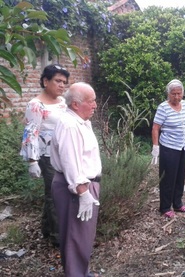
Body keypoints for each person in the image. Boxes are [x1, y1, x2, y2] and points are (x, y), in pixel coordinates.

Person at [50, 82, 102, 277]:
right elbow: (71, 162)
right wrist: (83, 193)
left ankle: (82, 272)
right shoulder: (70, 125)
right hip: (77, 189)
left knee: (83, 236)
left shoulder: (79, 122)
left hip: (85, 186)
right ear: (75, 105)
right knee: (75, 236)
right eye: (91, 101)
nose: (95, 105)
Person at [20, 64, 70, 247]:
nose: (62, 85)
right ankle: (58, 237)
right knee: (55, 193)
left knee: (54, 192)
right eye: (58, 81)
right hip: (46, 156)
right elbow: (30, 132)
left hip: (63, 153)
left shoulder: (63, 102)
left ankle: (47, 229)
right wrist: (32, 161)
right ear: (45, 81)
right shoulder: (35, 104)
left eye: (64, 82)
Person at [151, 79, 185, 219]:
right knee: (168, 178)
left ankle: (178, 203)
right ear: (168, 94)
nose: (176, 96)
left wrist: (183, 131)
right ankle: (165, 207)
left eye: (179, 93)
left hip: (182, 146)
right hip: (169, 147)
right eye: (173, 94)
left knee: (180, 176)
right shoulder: (163, 107)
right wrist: (155, 147)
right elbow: (156, 128)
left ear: (182, 94)